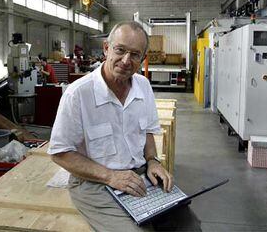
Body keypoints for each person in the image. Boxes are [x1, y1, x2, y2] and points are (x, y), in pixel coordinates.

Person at [48, 21, 201, 231]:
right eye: (120, 50)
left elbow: (147, 131)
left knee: (189, 226)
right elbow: (59, 153)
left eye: (135, 54)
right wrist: (111, 176)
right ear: (106, 48)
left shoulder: (143, 86)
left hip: (140, 175)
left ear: (142, 58)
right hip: (94, 183)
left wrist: (153, 161)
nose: (126, 60)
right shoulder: (78, 94)